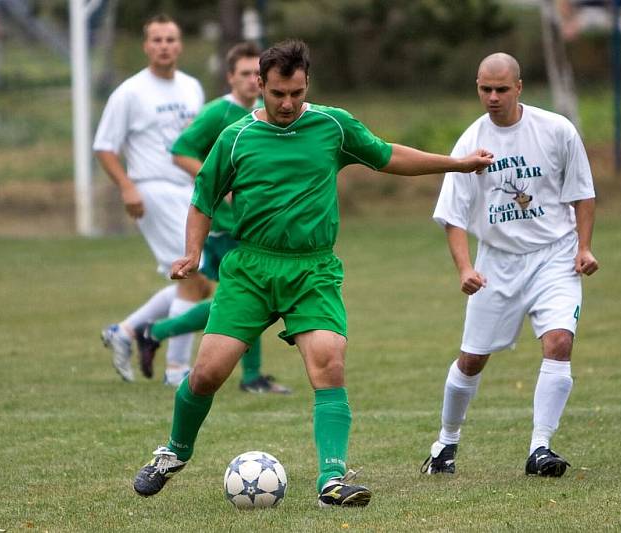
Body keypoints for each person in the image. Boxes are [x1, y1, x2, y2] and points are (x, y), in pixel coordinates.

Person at [132, 39, 494, 507]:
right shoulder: (236, 137)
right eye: (277, 93)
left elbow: (386, 155)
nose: (287, 104)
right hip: (251, 269)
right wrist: (192, 252)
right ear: (259, 85)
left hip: (313, 270)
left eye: (296, 94)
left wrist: (458, 164)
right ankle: (174, 452)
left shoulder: (332, 125)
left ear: (307, 87)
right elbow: (203, 199)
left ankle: (332, 480)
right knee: (206, 374)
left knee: (329, 364)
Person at [420, 52, 599, 478]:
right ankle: (446, 443)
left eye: (502, 89)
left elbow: (583, 193)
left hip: (555, 255)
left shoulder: (556, 130)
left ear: (519, 87)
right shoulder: (470, 143)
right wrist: (465, 269)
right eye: (486, 89)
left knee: (559, 342)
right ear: (478, 88)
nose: (494, 97)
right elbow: (453, 216)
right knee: (472, 360)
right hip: (497, 263)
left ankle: (540, 448)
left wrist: (584, 248)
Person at [134, 42, 290, 395]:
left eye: (257, 74)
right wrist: (220, 182)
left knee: (242, 303)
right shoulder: (218, 114)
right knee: (252, 302)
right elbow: (180, 151)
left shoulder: (268, 113)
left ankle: (153, 333)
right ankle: (249, 377)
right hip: (228, 227)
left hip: (253, 226)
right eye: (245, 74)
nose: (252, 80)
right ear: (230, 77)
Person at [94, 14, 210, 386]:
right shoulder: (130, 92)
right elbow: (104, 147)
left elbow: (199, 140)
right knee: (195, 274)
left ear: (180, 45)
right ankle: (177, 371)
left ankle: (125, 331)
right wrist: (128, 187)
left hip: (188, 190)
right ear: (146, 46)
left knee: (192, 280)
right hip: (153, 189)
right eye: (157, 39)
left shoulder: (191, 87)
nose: (164, 46)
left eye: (171, 39)